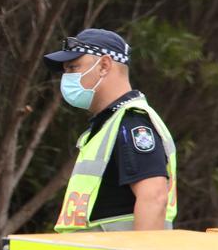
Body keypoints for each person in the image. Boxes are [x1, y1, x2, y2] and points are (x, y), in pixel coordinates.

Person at [43, 28, 177, 232]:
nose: (66, 77)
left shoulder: (132, 122)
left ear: (104, 65)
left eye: (73, 67)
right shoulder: (109, 123)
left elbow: (154, 197)